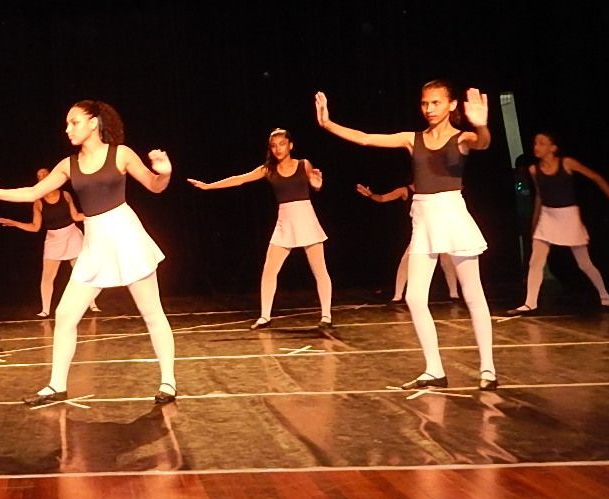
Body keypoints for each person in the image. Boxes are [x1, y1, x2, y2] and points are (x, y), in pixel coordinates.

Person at [0, 100, 177, 406]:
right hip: (94, 242)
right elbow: (33, 192)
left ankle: (168, 382)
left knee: (152, 313)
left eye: (74, 122)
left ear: (93, 122)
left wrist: (164, 172)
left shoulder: (121, 154)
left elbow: (155, 186)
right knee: (65, 314)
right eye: (67, 123)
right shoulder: (68, 164)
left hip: (126, 236)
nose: (68, 129)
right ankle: (56, 385)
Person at [316, 83, 499, 390]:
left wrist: (481, 125)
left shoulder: (461, 138)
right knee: (414, 296)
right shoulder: (412, 139)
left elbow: (482, 142)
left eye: (436, 102)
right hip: (423, 217)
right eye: (425, 103)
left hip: (452, 213)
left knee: (472, 293)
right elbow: (366, 138)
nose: (429, 108)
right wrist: (327, 123)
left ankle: (488, 368)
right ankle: (434, 370)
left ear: (452, 105)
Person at [188, 128, 334, 329]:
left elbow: (315, 185)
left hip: (306, 218)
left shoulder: (303, 164)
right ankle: (265, 316)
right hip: (285, 223)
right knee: (269, 270)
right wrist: (208, 186)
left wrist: (317, 185)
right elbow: (240, 179)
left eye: (282, 144)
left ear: (290, 145)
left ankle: (326, 316)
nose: (278, 149)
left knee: (319, 270)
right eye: (273, 146)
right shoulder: (268, 170)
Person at [510, 132, 609, 313]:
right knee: (536, 261)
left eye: (542, 143)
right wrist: (535, 223)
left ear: (553, 148)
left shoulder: (567, 163)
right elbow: (539, 196)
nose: (536, 147)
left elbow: (596, 177)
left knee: (584, 263)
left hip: (568, 216)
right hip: (547, 215)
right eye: (536, 143)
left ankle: (604, 294)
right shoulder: (533, 170)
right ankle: (530, 303)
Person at [0, 167, 98, 318]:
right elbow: (35, 227)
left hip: (72, 235)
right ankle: (45, 309)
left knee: (82, 271)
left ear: (51, 176)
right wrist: (14, 223)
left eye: (45, 173)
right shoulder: (38, 202)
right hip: (53, 240)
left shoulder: (65, 194)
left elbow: (76, 216)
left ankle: (92, 304)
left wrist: (95, 214)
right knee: (47, 277)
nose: (42, 176)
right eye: (39, 175)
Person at [355, 183, 461, 303]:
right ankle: (398, 295)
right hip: (422, 232)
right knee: (406, 261)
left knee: (446, 260)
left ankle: (454, 294)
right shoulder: (405, 191)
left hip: (440, 229)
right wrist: (371, 195)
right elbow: (383, 198)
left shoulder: (434, 188)